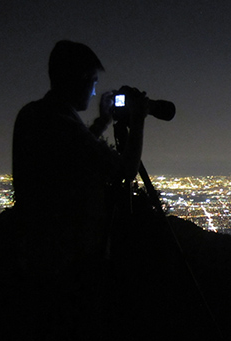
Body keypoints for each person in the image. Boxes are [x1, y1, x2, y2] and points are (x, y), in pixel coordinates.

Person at [12, 40, 148, 277]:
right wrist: (138, 120)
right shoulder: (63, 124)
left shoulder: (32, 114)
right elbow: (125, 169)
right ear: (81, 78)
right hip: (67, 263)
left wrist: (103, 121)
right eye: (93, 81)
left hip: (33, 254)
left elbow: (73, 155)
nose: (95, 90)